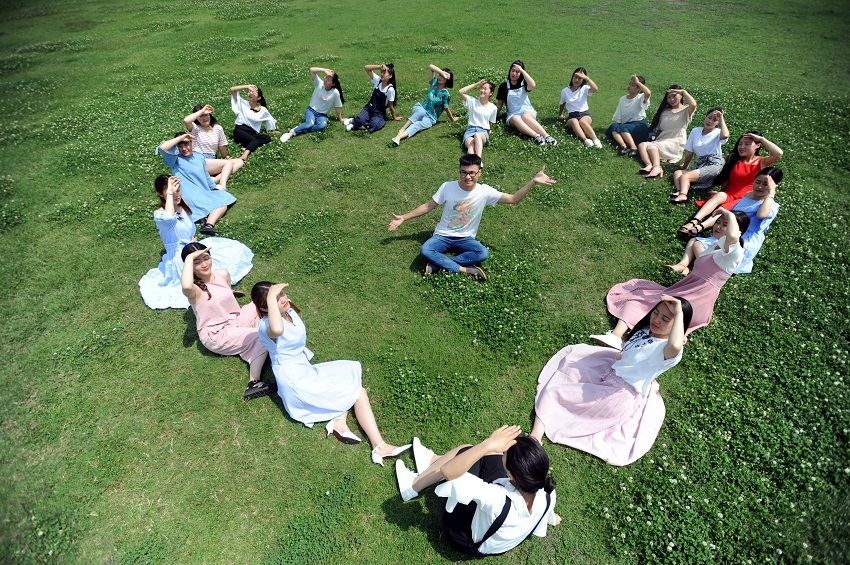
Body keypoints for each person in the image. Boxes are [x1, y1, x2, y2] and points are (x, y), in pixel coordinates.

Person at [251, 281, 410, 465]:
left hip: (304, 370)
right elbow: (278, 329)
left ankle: (338, 422)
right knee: (358, 392)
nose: (282, 299)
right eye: (275, 299)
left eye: (282, 294)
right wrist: (271, 296)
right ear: (265, 308)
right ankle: (379, 447)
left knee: (348, 371)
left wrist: (276, 298)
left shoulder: (288, 312)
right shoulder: (267, 326)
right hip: (295, 381)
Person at [531, 296, 691, 466]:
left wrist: (679, 312)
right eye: (656, 313)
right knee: (571, 365)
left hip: (620, 393)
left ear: (678, 324)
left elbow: (675, 345)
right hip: (612, 370)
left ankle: (535, 436)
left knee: (556, 393)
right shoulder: (648, 331)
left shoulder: (668, 351)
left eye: (665, 319)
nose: (656, 320)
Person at [592, 207, 748, 347]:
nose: (718, 226)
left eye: (725, 224)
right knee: (645, 295)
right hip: (688, 292)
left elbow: (733, 236)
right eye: (718, 222)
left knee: (642, 303)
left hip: (695, 301)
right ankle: (621, 336)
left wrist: (728, 213)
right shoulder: (716, 246)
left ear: (738, 230)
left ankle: (616, 336)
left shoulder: (734, 254)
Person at [394, 426, 560, 557]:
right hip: (496, 538)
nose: (503, 451)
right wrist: (549, 516)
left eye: (505, 453)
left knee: (466, 451)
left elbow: (449, 471)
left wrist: (487, 444)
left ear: (510, 474)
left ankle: (412, 486)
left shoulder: (496, 498)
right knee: (491, 453)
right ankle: (431, 462)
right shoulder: (547, 491)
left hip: (465, 539)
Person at [387, 155, 557, 280]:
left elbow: (513, 199)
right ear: (459, 172)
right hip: (442, 235)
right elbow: (428, 205)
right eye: (463, 172)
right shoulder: (447, 187)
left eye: (472, 173)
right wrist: (403, 217)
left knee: (482, 253)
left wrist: (533, 182)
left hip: (466, 238)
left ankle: (438, 264)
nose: (467, 177)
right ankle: (466, 270)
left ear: (479, 173)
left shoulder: (485, 191)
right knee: (426, 250)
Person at [139, 175, 253, 310]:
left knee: (219, 261)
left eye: (178, 190)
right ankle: (221, 293)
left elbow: (189, 229)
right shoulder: (160, 215)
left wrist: (193, 240)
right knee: (199, 274)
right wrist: (170, 192)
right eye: (171, 193)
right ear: (161, 194)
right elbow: (170, 218)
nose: (177, 195)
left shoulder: (184, 206)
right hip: (179, 255)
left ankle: (224, 290)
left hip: (193, 246)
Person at [180, 244, 271, 400]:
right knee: (262, 335)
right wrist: (189, 258)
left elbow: (226, 291)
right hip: (217, 334)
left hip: (234, 320)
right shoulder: (194, 290)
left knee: (260, 303)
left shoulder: (222, 274)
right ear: (189, 266)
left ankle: (249, 342)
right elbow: (186, 285)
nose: (204, 264)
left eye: (206, 258)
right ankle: (253, 382)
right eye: (197, 262)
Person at [669, 167, 783, 275]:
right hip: (729, 233)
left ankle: (704, 270)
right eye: (757, 182)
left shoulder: (771, 205)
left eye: (766, 184)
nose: (760, 187)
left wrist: (771, 192)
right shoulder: (749, 195)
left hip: (743, 241)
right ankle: (683, 264)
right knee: (694, 241)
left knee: (698, 246)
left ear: (775, 186)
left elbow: (761, 215)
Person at [679, 131, 783, 236]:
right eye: (740, 144)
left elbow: (778, 153)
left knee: (725, 208)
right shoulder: (735, 159)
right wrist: (720, 192)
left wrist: (761, 139)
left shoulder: (762, 162)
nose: (742, 147)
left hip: (744, 198)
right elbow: (727, 180)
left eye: (747, 144)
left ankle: (700, 227)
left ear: (758, 145)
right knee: (720, 195)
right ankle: (694, 221)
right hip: (729, 193)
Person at [157, 132, 236, 235]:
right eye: (180, 146)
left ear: (192, 143)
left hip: (203, 193)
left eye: (186, 144)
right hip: (188, 196)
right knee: (219, 202)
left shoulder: (199, 157)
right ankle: (205, 218)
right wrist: (182, 137)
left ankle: (208, 225)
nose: (184, 148)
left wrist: (214, 189)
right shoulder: (175, 159)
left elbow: (206, 177)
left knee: (224, 200)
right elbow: (162, 148)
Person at [669, 108, 729, 204]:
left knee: (686, 176)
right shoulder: (695, 131)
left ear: (717, 123)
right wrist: (684, 166)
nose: (710, 121)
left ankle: (683, 195)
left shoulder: (718, 132)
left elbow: (725, 135)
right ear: (705, 118)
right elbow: (690, 152)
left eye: (714, 120)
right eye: (709, 117)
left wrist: (721, 119)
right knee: (678, 173)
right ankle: (680, 190)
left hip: (714, 163)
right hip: (701, 164)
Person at [637, 85, 697, 179]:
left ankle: (657, 167)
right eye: (669, 97)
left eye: (674, 96)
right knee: (642, 145)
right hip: (662, 140)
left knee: (652, 146)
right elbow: (660, 129)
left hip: (675, 142)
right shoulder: (665, 111)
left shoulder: (686, 110)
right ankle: (649, 165)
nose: (671, 99)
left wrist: (683, 92)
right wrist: (655, 138)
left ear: (681, 96)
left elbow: (693, 104)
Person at [391, 63, 458, 146]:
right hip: (421, 108)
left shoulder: (446, 94)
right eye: (440, 75)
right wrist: (442, 72)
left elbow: (446, 108)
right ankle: (401, 129)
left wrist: (452, 119)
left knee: (418, 125)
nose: (440, 77)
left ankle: (399, 137)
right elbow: (431, 67)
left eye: (443, 77)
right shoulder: (434, 83)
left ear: (447, 80)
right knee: (421, 112)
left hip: (431, 117)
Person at [495, 60, 557, 146]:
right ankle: (536, 136)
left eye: (517, 72)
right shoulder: (504, 86)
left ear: (521, 73)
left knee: (525, 117)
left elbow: (533, 85)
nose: (514, 73)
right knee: (515, 118)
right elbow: (499, 104)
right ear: (509, 71)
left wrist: (522, 70)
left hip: (526, 110)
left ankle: (547, 136)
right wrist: (493, 118)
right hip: (513, 114)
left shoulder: (523, 83)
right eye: (513, 70)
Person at [183, 104, 244, 186]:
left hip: (211, 160)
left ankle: (214, 180)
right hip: (197, 159)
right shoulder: (194, 128)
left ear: (210, 115)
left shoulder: (218, 128)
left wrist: (226, 157)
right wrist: (202, 110)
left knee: (239, 162)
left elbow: (222, 147)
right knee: (228, 164)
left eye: (206, 115)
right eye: (201, 116)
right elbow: (186, 120)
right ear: (196, 118)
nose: (204, 118)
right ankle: (222, 185)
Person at [279, 67, 345, 142]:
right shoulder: (319, 83)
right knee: (310, 124)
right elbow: (312, 70)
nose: (326, 79)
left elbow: (338, 106)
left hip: (322, 115)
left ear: (333, 84)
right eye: (326, 77)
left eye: (329, 79)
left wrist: (340, 118)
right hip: (311, 111)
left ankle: (302, 128)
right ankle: (291, 133)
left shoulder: (335, 93)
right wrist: (324, 70)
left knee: (322, 126)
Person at [343, 63, 401, 133]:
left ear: (390, 75)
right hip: (369, 108)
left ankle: (355, 125)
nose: (382, 74)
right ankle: (354, 121)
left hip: (379, 113)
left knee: (375, 124)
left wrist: (394, 117)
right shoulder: (378, 80)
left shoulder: (390, 89)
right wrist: (379, 67)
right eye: (381, 72)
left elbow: (391, 105)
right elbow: (366, 68)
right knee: (361, 120)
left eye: (384, 72)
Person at [229, 84, 278, 161]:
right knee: (254, 141)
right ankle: (245, 155)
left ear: (259, 97)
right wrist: (246, 86)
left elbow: (270, 119)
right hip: (240, 130)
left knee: (267, 138)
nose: (250, 93)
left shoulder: (263, 110)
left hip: (252, 133)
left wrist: (274, 129)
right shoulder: (242, 103)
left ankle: (248, 146)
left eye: (253, 92)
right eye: (249, 92)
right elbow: (232, 89)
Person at [607, 74, 652, 156]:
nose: (629, 86)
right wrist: (617, 124)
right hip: (627, 125)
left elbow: (648, 93)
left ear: (639, 88)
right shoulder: (622, 99)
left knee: (623, 128)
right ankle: (623, 146)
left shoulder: (641, 97)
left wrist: (637, 82)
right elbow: (618, 114)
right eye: (630, 84)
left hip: (638, 126)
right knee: (614, 126)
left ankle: (634, 148)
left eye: (633, 85)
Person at [558, 67, 601, 148]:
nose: (577, 80)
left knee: (583, 121)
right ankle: (586, 140)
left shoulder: (585, 88)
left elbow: (595, 89)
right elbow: (562, 104)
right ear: (572, 77)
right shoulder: (565, 91)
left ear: (583, 79)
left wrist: (587, 78)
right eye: (575, 77)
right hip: (572, 116)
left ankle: (595, 140)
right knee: (574, 121)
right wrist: (560, 114)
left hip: (585, 114)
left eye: (580, 78)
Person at [458, 79, 498, 158]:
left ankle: (478, 160)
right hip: (470, 131)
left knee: (477, 135)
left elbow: (490, 122)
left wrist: (489, 130)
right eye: (481, 88)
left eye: (485, 89)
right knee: (471, 147)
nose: (482, 90)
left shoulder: (493, 107)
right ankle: (474, 163)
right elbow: (461, 92)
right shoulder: (472, 101)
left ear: (491, 93)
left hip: (483, 132)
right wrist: (476, 84)